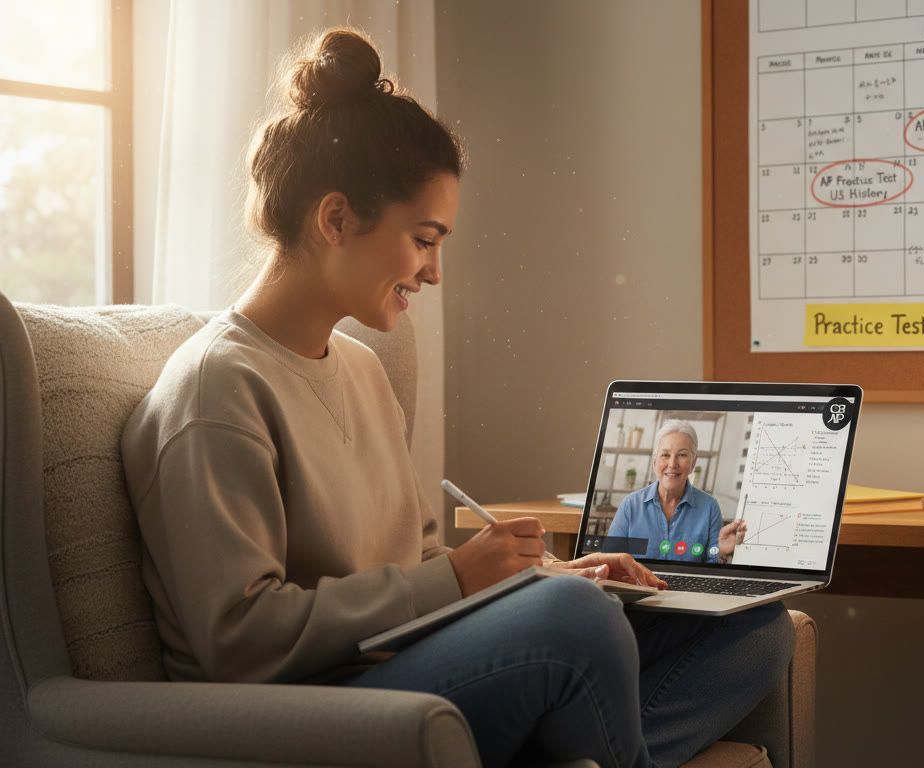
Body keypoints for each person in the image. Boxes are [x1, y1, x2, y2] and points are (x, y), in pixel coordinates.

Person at [120, 28, 793, 768]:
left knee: (747, 629)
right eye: (424, 239)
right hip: (320, 707)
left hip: (417, 666)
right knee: (575, 620)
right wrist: (468, 578)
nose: (434, 272)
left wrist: (544, 575)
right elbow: (239, 640)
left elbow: (417, 562)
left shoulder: (360, 370)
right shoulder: (216, 388)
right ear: (335, 219)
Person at [604, 421, 747, 564]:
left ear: (693, 463)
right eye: (665, 455)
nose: (672, 464)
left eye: (682, 455)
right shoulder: (631, 504)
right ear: (655, 462)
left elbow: (712, 567)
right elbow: (611, 561)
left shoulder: (710, 507)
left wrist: (720, 552)